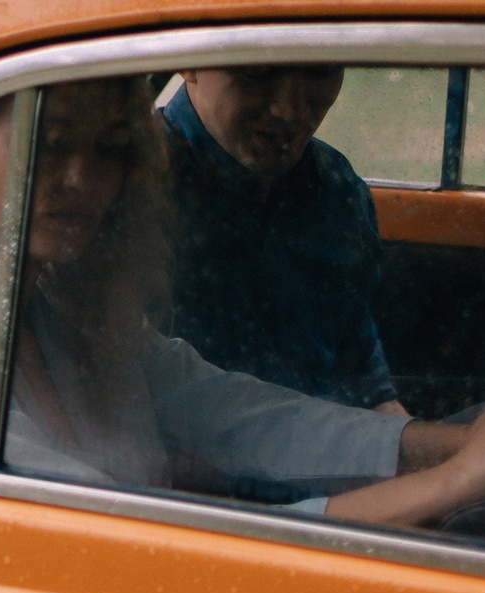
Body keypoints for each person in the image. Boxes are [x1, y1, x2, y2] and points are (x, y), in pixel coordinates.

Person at [0, 77, 485, 534]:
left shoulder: (50, 303)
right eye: (50, 145)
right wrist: (466, 474)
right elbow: (136, 542)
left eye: (109, 153)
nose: (85, 181)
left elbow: (239, 413)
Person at [158, 66, 404, 413]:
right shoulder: (131, 192)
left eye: (321, 72)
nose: (291, 111)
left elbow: (364, 382)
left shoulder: (337, 188)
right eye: (258, 74)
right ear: (189, 59)